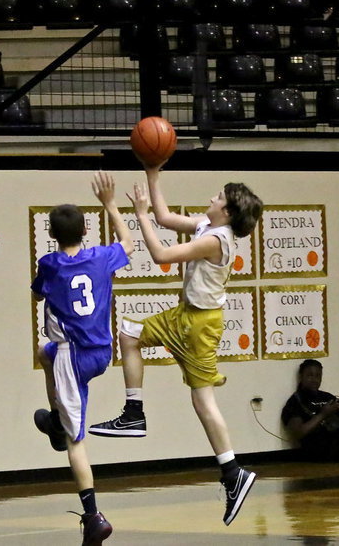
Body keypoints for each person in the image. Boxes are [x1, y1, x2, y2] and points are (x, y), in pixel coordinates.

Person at [88, 163, 264, 526]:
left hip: (199, 325)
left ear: (227, 212)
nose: (210, 199)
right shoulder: (207, 226)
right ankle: (134, 414)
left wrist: (139, 216)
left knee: (203, 400)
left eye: (217, 197)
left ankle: (233, 472)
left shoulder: (217, 240)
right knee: (130, 333)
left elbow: (162, 256)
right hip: (187, 316)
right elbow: (166, 218)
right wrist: (153, 172)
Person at [31, 171, 134, 544]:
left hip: (71, 358)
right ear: (86, 229)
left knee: (77, 442)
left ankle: (93, 517)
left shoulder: (50, 264)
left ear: (52, 234)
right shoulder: (102, 257)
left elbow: (38, 295)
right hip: (102, 352)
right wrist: (111, 204)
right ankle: (57, 424)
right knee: (43, 354)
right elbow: (129, 242)